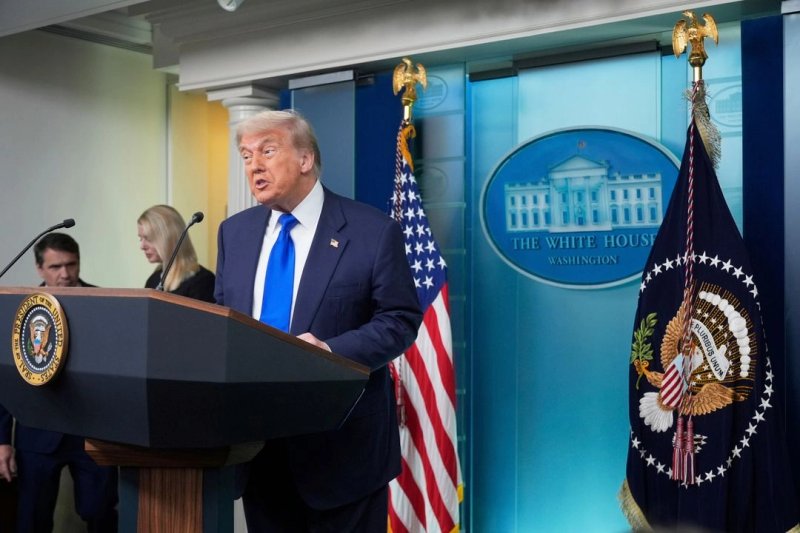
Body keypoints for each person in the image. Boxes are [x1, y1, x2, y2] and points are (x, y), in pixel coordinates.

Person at [215, 109, 422, 531]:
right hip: (260, 448)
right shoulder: (233, 233)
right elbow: (224, 320)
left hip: (342, 452)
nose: (254, 164)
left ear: (305, 159)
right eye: (246, 155)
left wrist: (329, 352)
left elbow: (399, 319)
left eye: (268, 151)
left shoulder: (371, 230)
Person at [0, 232, 118, 533]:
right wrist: (2, 440)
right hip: (37, 434)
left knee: (101, 513)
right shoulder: (19, 308)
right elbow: (6, 378)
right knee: (32, 520)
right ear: (40, 269)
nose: (65, 274)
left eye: (71, 264)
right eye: (55, 267)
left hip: (92, 434)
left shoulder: (106, 304)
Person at [137, 204, 215, 303]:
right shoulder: (153, 280)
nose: (142, 246)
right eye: (140, 238)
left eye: (148, 238)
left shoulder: (203, 281)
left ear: (169, 237)